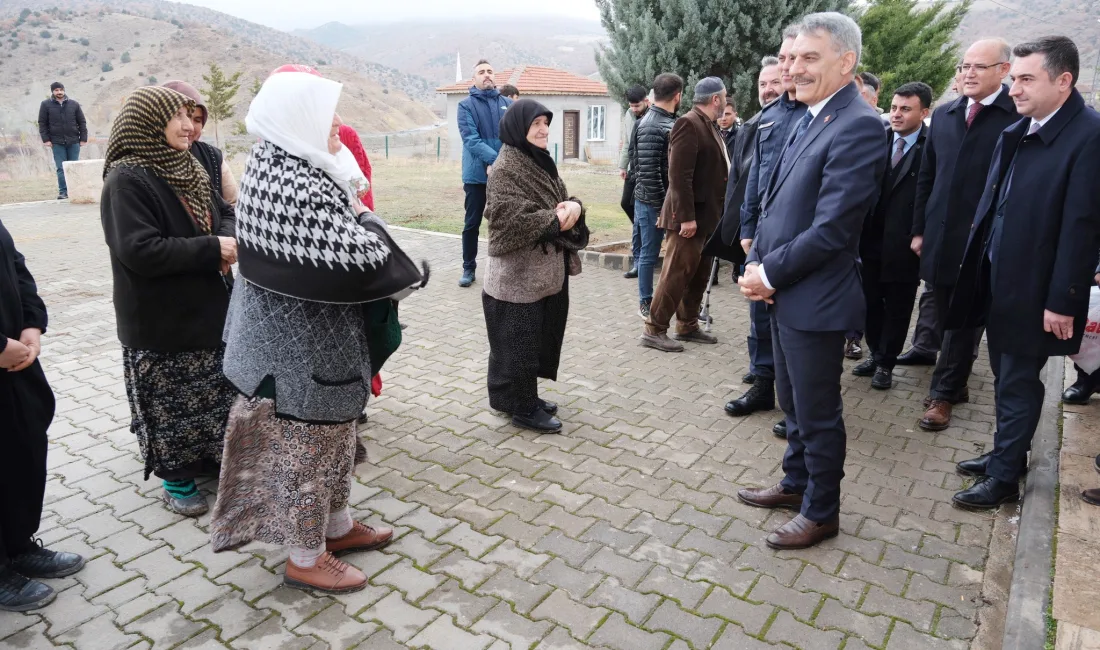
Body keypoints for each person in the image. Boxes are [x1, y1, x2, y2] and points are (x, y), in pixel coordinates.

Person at [211, 69, 425, 593]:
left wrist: (357, 212)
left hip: (314, 345)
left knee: (336, 439)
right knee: (307, 452)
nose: (337, 124)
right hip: (295, 354)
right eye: (327, 114)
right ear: (297, 118)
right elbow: (367, 257)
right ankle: (305, 558)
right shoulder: (292, 185)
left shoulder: (288, 164)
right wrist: (366, 218)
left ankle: (337, 527)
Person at [736, 13, 887, 549]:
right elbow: (778, 203)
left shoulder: (859, 125)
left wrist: (769, 272)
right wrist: (758, 264)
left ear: (846, 62)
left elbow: (833, 229)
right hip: (783, 291)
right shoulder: (809, 114)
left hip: (816, 296)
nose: (794, 68)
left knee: (818, 411)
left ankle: (822, 512)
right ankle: (796, 483)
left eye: (809, 58)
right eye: (792, 57)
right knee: (793, 402)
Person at [950, 36, 1100, 509]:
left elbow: (1081, 228)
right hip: (1001, 277)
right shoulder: (1022, 128)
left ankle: (1003, 479)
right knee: (1004, 375)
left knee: (1017, 381)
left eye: (1026, 79)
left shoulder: (1088, 136)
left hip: (1037, 288)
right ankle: (1006, 455)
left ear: (1063, 80)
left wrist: (1063, 299)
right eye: (1013, 78)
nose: (1014, 89)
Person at [99, 86, 239, 517]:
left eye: (190, 116)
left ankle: (211, 460)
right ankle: (176, 480)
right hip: (161, 319)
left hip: (207, 307)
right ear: (148, 123)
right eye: (176, 117)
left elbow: (225, 211)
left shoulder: (187, 165)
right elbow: (139, 250)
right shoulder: (126, 180)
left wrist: (225, 240)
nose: (187, 126)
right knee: (170, 405)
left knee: (213, 394)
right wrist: (211, 249)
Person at [911, 39, 1019, 432]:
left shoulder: (1015, 116)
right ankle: (956, 383)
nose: (968, 73)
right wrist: (918, 229)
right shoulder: (945, 114)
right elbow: (927, 176)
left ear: (1003, 71)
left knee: (964, 317)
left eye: (978, 66)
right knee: (943, 310)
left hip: (983, 239)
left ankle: (942, 394)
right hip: (940, 235)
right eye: (964, 66)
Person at [482, 99, 589, 434]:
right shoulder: (505, 168)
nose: (543, 130)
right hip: (516, 276)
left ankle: (512, 397)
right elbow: (507, 218)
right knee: (518, 344)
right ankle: (524, 408)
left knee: (532, 338)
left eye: (546, 123)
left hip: (539, 274)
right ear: (519, 128)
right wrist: (557, 219)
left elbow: (561, 198)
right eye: (536, 124)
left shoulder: (537, 159)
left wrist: (574, 207)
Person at [725, 27, 807, 439]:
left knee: (794, 319)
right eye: (783, 60)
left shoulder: (815, 114)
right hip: (762, 234)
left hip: (801, 236)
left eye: (794, 60)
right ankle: (762, 384)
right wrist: (747, 227)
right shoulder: (768, 118)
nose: (787, 70)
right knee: (759, 312)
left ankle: (798, 404)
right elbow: (753, 178)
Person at [0, 219, 86, 612]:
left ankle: (17, 547)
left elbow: (13, 263)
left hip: (15, 359)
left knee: (22, 451)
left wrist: (32, 322)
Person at [639, 77, 729, 352]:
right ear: (716, 99)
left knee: (699, 275)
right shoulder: (688, 124)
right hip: (688, 219)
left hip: (707, 218)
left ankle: (687, 325)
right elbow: (679, 175)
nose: (726, 101)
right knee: (676, 274)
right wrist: (686, 217)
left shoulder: (708, 124)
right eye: (724, 96)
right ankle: (654, 329)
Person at [853, 82, 932, 390]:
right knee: (870, 302)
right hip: (870, 238)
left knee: (898, 306)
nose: (897, 114)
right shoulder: (880, 139)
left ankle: (886, 363)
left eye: (906, 109)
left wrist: (921, 232)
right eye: (894, 108)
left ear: (924, 113)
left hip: (905, 242)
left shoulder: (932, 146)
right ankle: (875, 354)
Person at [629, 74, 682, 319]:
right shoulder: (652, 125)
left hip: (661, 201)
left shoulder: (668, 121)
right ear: (677, 96)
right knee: (649, 255)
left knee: (669, 255)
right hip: (653, 202)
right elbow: (649, 173)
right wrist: (663, 208)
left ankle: (671, 302)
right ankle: (645, 302)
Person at [458, 60, 513, 288]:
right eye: (481, 72)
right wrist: (494, 160)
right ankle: (468, 268)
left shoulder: (509, 104)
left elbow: (514, 137)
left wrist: (499, 164)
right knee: (472, 223)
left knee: (506, 221)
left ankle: (507, 268)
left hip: (505, 175)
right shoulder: (465, 106)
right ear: (474, 79)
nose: (487, 74)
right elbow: (471, 139)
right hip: (476, 176)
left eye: (490, 71)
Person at [160, 81, 240, 206]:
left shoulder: (211, 156)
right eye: (180, 117)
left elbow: (233, 204)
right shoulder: (141, 165)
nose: (190, 127)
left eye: (197, 120)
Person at [38, 82, 87, 200]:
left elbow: (82, 122)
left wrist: (83, 138)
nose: (59, 92)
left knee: (74, 167)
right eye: (56, 90)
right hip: (56, 142)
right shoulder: (45, 104)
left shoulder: (74, 104)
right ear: (52, 92)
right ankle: (63, 192)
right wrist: (46, 139)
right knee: (61, 168)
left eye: (61, 90)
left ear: (64, 90)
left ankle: (75, 191)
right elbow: (42, 123)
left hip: (73, 141)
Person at [620, 85, 650, 279]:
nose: (634, 109)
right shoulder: (629, 115)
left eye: (637, 106)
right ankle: (647, 232)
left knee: (641, 218)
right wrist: (623, 166)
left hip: (647, 171)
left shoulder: (653, 115)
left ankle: (639, 262)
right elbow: (627, 142)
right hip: (633, 169)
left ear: (646, 101)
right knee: (626, 203)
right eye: (631, 106)